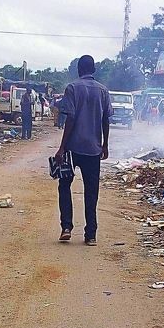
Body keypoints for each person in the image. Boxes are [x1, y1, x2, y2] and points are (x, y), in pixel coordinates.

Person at [55, 54, 112, 246]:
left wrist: (62, 147)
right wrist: (105, 144)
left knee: (64, 186)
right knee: (91, 191)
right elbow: (106, 120)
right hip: (93, 150)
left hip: (72, 148)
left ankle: (66, 227)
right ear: (93, 70)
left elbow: (69, 118)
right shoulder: (103, 91)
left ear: (79, 70)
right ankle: (91, 235)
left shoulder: (72, 88)